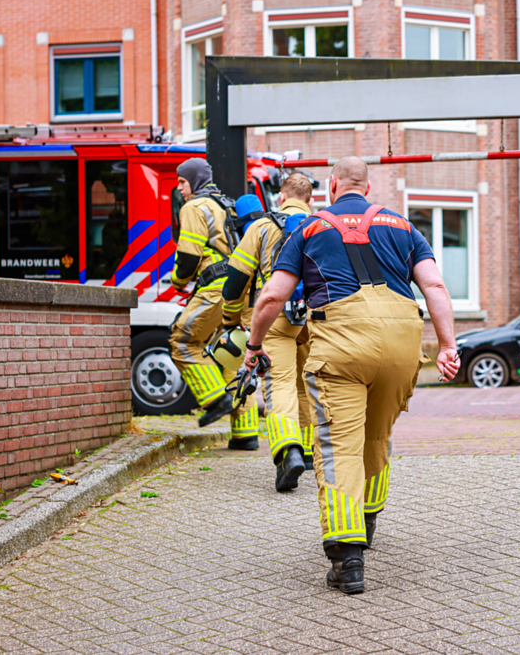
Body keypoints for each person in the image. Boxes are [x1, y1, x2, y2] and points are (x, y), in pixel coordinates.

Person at [243, 157, 460, 594]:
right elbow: (434, 286)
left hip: (342, 346)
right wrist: (448, 347)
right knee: (376, 436)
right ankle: (368, 519)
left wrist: (254, 345)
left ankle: (347, 559)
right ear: (368, 186)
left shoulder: (310, 229)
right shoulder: (403, 227)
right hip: (402, 344)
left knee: (339, 444)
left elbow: (272, 297)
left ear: (333, 185)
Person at [222, 172, 316, 493]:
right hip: (316, 317)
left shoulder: (262, 226)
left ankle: (288, 452)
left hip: (278, 318)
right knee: (308, 383)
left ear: (281, 197)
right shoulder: (324, 225)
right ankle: (309, 450)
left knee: (281, 385)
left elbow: (235, 282)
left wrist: (231, 318)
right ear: (309, 200)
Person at [168, 157, 259, 446]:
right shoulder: (228, 205)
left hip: (216, 288)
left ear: (194, 181)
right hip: (245, 288)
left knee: (183, 340)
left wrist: (178, 282)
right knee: (234, 355)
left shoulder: (195, 206)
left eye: (182, 181)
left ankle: (215, 399)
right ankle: (245, 435)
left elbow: (189, 256)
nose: (180, 187)